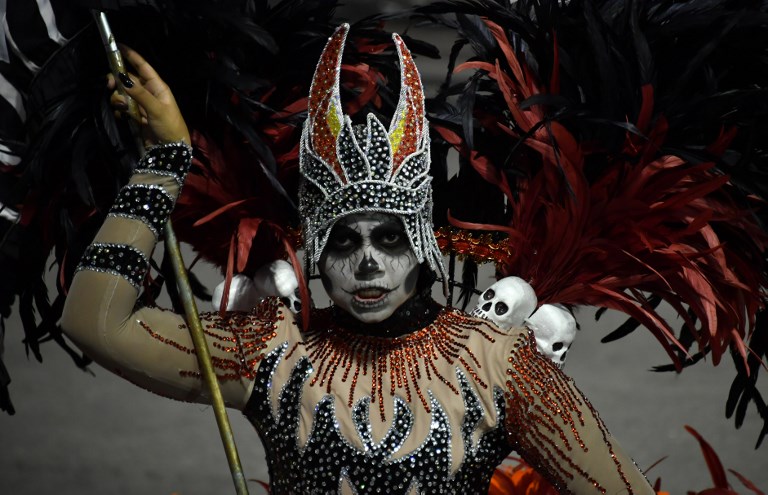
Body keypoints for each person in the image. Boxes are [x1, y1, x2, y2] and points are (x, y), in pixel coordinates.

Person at [60, 25, 654, 494]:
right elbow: (96, 322)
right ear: (315, 249)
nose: (368, 263)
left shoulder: (498, 362)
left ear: (421, 243)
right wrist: (165, 160)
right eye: (344, 241)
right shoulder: (273, 349)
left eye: (390, 239)